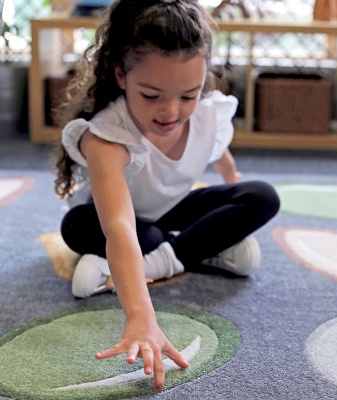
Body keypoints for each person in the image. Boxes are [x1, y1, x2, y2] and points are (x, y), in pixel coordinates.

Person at [53, 0, 280, 393]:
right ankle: (188, 251)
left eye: (188, 96)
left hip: (169, 211)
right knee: (88, 228)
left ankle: (145, 264)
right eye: (152, 95)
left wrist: (229, 175)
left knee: (262, 196)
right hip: (115, 224)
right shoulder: (108, 136)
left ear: (203, 78)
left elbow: (216, 148)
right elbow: (120, 226)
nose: (171, 111)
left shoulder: (207, 113)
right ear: (121, 75)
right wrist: (141, 316)